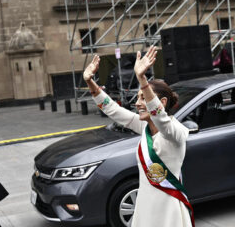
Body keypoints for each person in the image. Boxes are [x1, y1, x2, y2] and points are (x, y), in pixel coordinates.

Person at [83, 46, 194, 227]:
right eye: (138, 97)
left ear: (162, 102)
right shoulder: (144, 127)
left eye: (143, 98)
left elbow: (161, 118)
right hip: (145, 207)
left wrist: (142, 79)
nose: (138, 103)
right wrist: (90, 82)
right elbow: (113, 109)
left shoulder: (176, 132)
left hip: (168, 211)